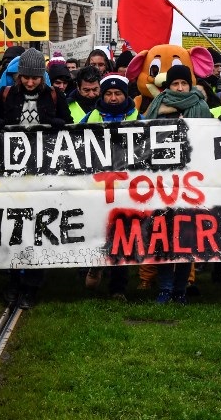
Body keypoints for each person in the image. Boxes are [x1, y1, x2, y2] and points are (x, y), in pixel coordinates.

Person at [0, 48, 72, 308]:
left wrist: (58, 122)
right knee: (15, 227)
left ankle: (31, 286)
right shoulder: (6, 94)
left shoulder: (54, 96)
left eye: (34, 78)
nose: (29, 82)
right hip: (14, 171)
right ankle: (13, 281)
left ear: (42, 77)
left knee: (37, 230)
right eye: (25, 77)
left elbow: (69, 125)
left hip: (44, 170)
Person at [145, 65, 213, 304]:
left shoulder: (201, 107)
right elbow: (144, 136)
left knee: (187, 236)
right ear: (169, 86)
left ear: (190, 84)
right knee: (163, 234)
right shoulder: (157, 106)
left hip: (191, 182)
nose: (181, 88)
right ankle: (164, 287)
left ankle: (180, 289)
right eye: (176, 84)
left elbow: (210, 139)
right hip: (163, 181)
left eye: (184, 83)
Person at [80, 75, 141, 300]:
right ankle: (95, 266)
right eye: (108, 94)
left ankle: (118, 287)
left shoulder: (139, 118)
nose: (113, 98)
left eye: (118, 94)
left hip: (126, 187)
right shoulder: (91, 117)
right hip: (98, 186)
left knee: (122, 235)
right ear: (102, 95)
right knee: (97, 230)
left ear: (126, 96)